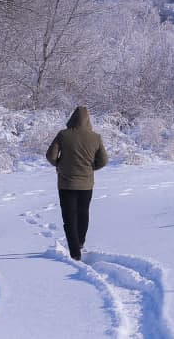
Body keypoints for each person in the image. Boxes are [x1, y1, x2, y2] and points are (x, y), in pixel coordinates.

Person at [46, 106, 109, 261]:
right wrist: (91, 168)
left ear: (72, 118)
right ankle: (80, 243)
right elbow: (104, 160)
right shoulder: (95, 137)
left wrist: (59, 165)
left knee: (69, 216)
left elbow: (50, 155)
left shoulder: (63, 135)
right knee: (83, 213)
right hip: (86, 183)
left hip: (66, 184)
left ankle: (75, 252)